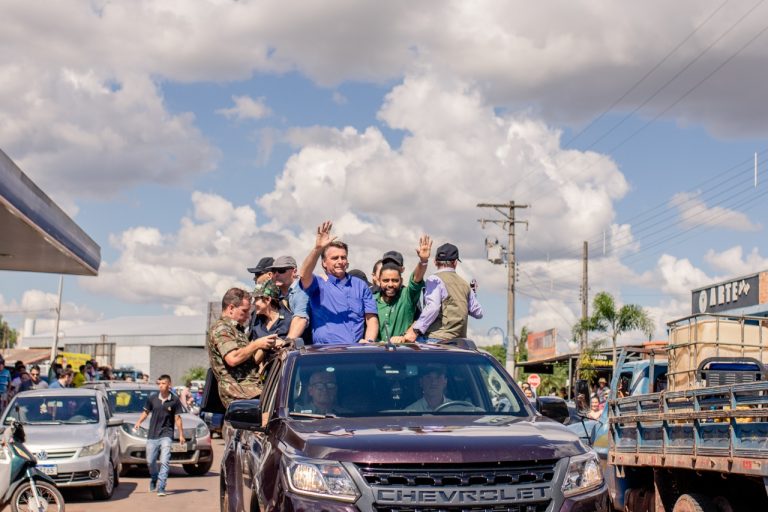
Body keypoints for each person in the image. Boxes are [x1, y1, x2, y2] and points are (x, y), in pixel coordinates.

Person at [299, 221, 378, 344]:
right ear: (324, 263)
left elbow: (371, 318)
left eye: (343, 257)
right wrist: (317, 249)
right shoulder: (319, 284)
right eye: (335, 258)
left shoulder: (360, 285)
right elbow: (304, 275)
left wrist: (369, 341)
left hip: (355, 353)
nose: (340, 261)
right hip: (326, 354)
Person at [207, 287, 278, 407]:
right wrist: (256, 344)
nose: (248, 317)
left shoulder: (237, 330)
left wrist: (266, 345)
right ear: (231, 308)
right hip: (239, 396)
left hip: (251, 392)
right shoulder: (221, 328)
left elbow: (251, 361)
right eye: (244, 311)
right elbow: (233, 359)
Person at [403, 243, 483, 342]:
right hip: (460, 342)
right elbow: (478, 313)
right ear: (455, 262)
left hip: (436, 339)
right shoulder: (465, 285)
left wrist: (415, 331)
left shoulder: (434, 279)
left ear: (435, 262)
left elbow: (433, 307)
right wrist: (473, 293)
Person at [133, 374, 185, 496]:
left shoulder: (175, 400)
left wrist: (181, 435)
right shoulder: (152, 398)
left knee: (164, 461)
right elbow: (146, 412)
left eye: (163, 383)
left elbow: (178, 419)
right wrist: (139, 422)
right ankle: (154, 477)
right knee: (150, 461)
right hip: (152, 435)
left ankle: (161, 487)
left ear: (169, 385)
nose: (160, 386)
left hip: (166, 434)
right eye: (159, 383)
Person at [376, 237, 432, 341]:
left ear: (401, 280)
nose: (390, 284)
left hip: (403, 353)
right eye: (386, 280)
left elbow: (416, 280)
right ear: (378, 280)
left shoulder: (406, 297)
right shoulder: (371, 299)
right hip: (376, 354)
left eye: (395, 280)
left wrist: (423, 261)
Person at [267, 255, 311, 341]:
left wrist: (286, 344)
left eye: (281, 271)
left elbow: (300, 319)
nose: (276, 274)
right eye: (273, 271)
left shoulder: (302, 291)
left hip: (304, 348)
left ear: (294, 271)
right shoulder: (275, 295)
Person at [250, 280, 293, 366]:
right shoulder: (256, 321)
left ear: (267, 299)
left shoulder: (289, 320)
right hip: (266, 375)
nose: (254, 303)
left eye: (256, 299)